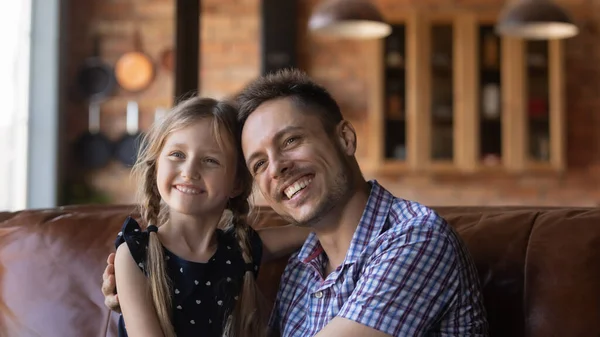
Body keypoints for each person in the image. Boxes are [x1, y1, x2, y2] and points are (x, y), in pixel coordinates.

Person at [104, 69, 489, 337]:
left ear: (346, 139)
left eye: (290, 141)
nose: (279, 168)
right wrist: (149, 293)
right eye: (259, 163)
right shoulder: (304, 266)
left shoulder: (415, 240)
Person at [110, 96, 309, 337]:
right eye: (177, 155)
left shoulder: (240, 249)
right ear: (156, 168)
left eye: (210, 161)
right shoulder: (133, 254)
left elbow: (320, 228)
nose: (189, 171)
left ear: (236, 183)